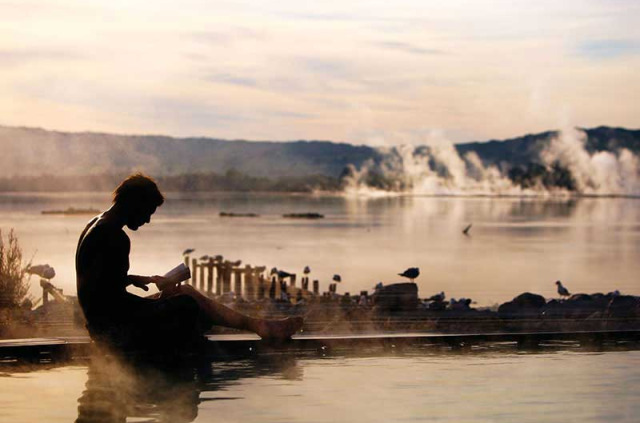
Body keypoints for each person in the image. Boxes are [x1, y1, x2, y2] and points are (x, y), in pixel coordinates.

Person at [75, 173, 303, 346]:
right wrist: (156, 301)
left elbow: (101, 284)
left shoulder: (96, 224)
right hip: (111, 330)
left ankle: (260, 326)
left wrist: (135, 279)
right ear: (135, 204)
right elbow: (113, 303)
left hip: (102, 321)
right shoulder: (115, 236)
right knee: (186, 304)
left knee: (186, 292)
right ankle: (191, 351)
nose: (147, 220)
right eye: (148, 212)